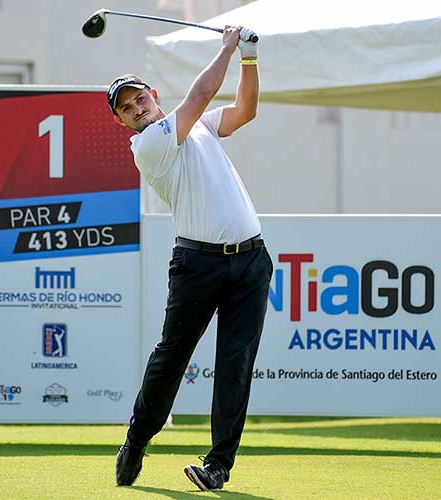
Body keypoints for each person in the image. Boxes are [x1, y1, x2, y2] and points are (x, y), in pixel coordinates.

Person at [109, 26, 270, 492]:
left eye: (138, 98)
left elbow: (244, 111)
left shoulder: (195, 125)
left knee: (236, 363)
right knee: (172, 357)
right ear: (123, 122)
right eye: (126, 108)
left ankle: (219, 465)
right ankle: (137, 440)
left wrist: (250, 59)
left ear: (153, 95)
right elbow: (201, 93)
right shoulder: (150, 144)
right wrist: (227, 47)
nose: (136, 108)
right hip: (197, 264)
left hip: (251, 261)